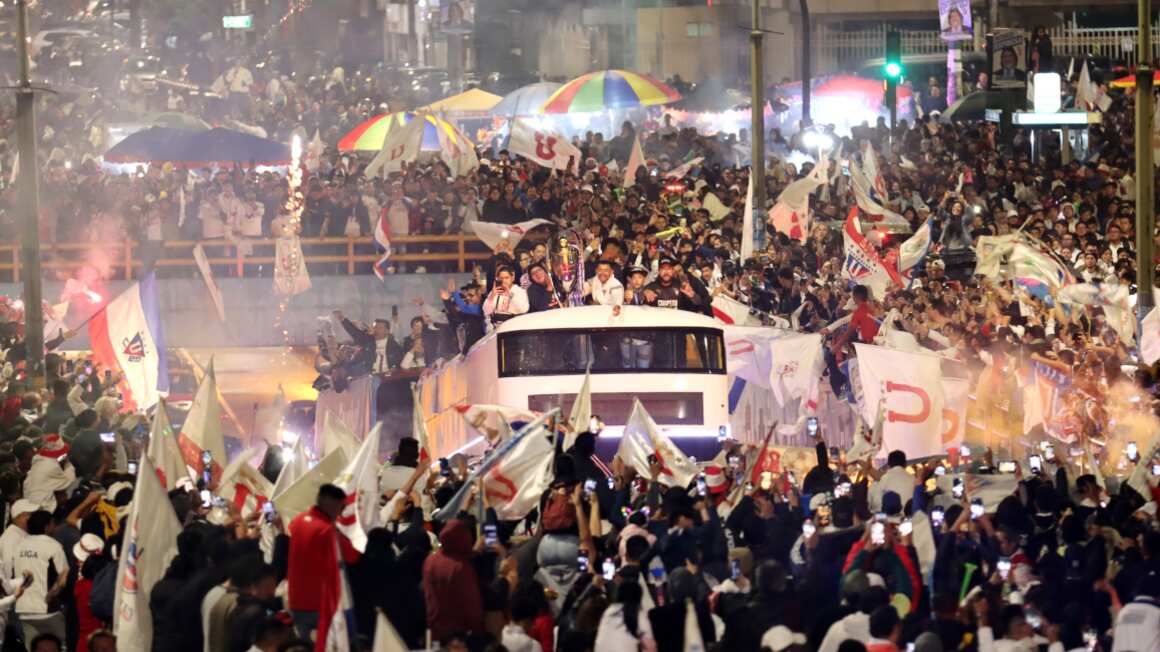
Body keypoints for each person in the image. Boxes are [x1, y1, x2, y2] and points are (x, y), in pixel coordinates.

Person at [286, 484, 360, 641]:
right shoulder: (326, 531)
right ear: (333, 505)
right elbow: (352, 556)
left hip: (296, 601)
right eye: (342, 507)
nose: (342, 512)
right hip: (320, 605)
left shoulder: (298, 521)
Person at [12, 510, 69, 645]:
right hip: (47, 611)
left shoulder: (20, 546)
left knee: (32, 647)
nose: (54, 527)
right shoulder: (53, 546)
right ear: (47, 526)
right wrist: (51, 596)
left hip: (22, 608)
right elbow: (63, 577)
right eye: (53, 524)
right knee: (57, 646)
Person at [423, 519, 483, 643]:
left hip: (434, 629)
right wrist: (478, 630)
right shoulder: (460, 567)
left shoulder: (430, 561)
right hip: (458, 634)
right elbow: (471, 604)